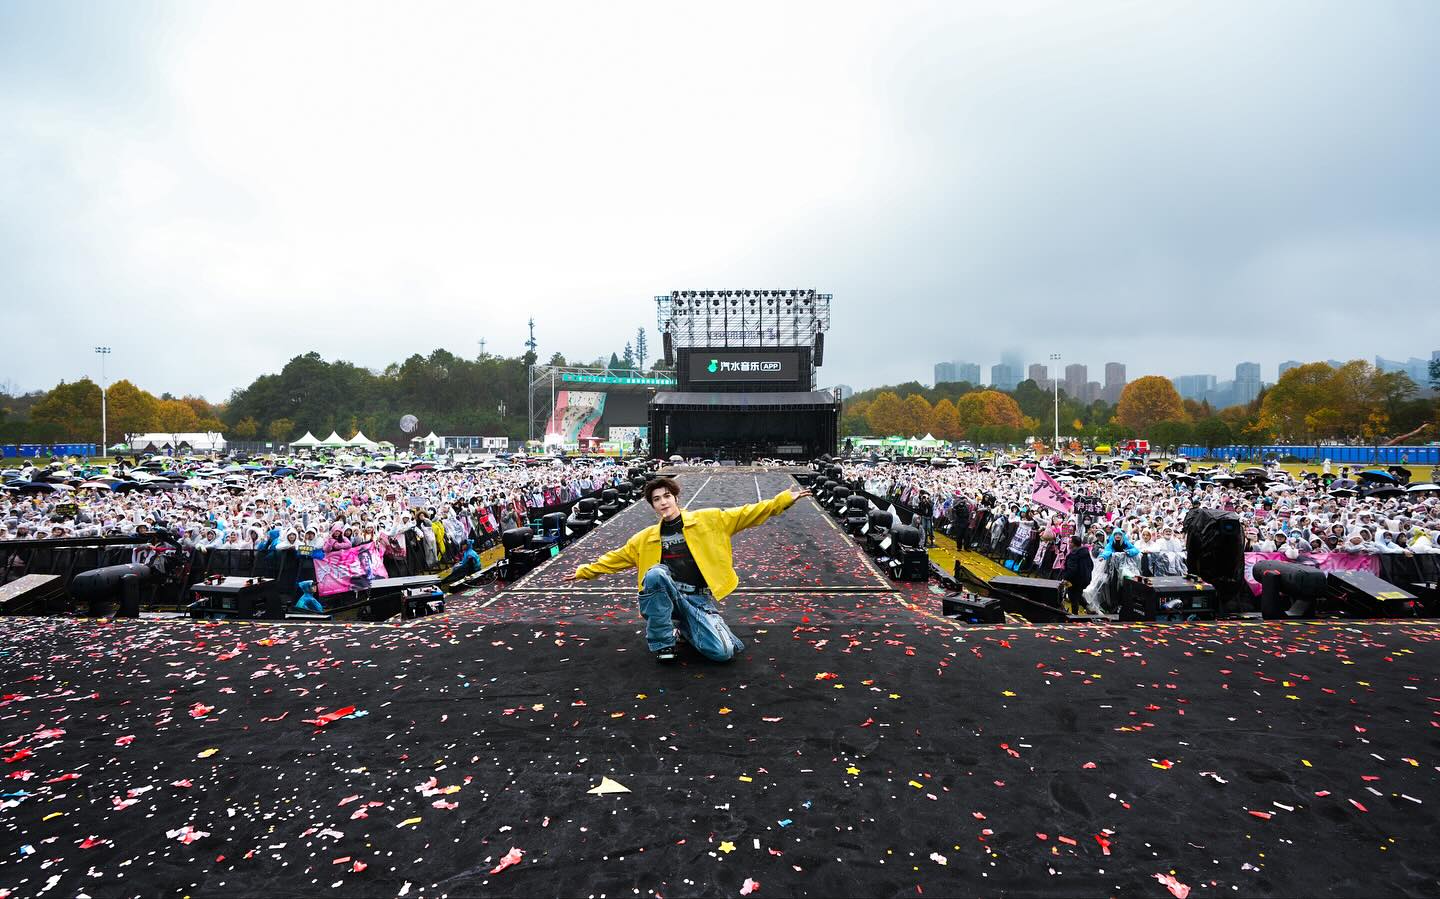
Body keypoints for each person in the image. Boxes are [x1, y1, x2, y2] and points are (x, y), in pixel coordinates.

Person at [568, 475, 812, 663]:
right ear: (653, 506)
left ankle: (688, 628)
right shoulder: (644, 539)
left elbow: (747, 513)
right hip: (666, 597)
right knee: (655, 574)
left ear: (676, 498)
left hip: (697, 600)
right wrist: (584, 571)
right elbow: (615, 558)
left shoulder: (709, 520)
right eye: (656, 499)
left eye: (666, 496)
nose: (663, 502)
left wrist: (782, 501)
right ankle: (664, 644)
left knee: (723, 653)